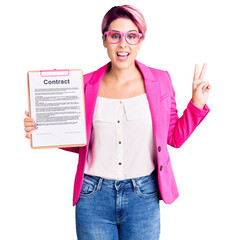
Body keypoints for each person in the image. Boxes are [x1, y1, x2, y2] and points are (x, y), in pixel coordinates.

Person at [24, 5, 211, 240]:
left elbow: (173, 138)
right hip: (93, 196)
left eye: (131, 36)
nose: (123, 45)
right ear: (104, 40)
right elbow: (80, 141)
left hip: (143, 195)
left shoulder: (160, 81)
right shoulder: (83, 85)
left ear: (140, 40)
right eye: (115, 36)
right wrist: (41, 129)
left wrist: (195, 104)